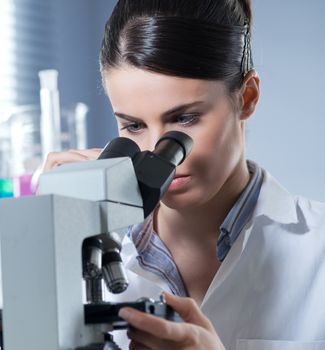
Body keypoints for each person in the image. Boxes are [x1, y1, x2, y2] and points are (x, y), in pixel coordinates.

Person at [43, 0, 325, 349]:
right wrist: (44, 242)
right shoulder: (89, 247)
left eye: (185, 119)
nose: (157, 152)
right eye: (133, 126)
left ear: (247, 98)